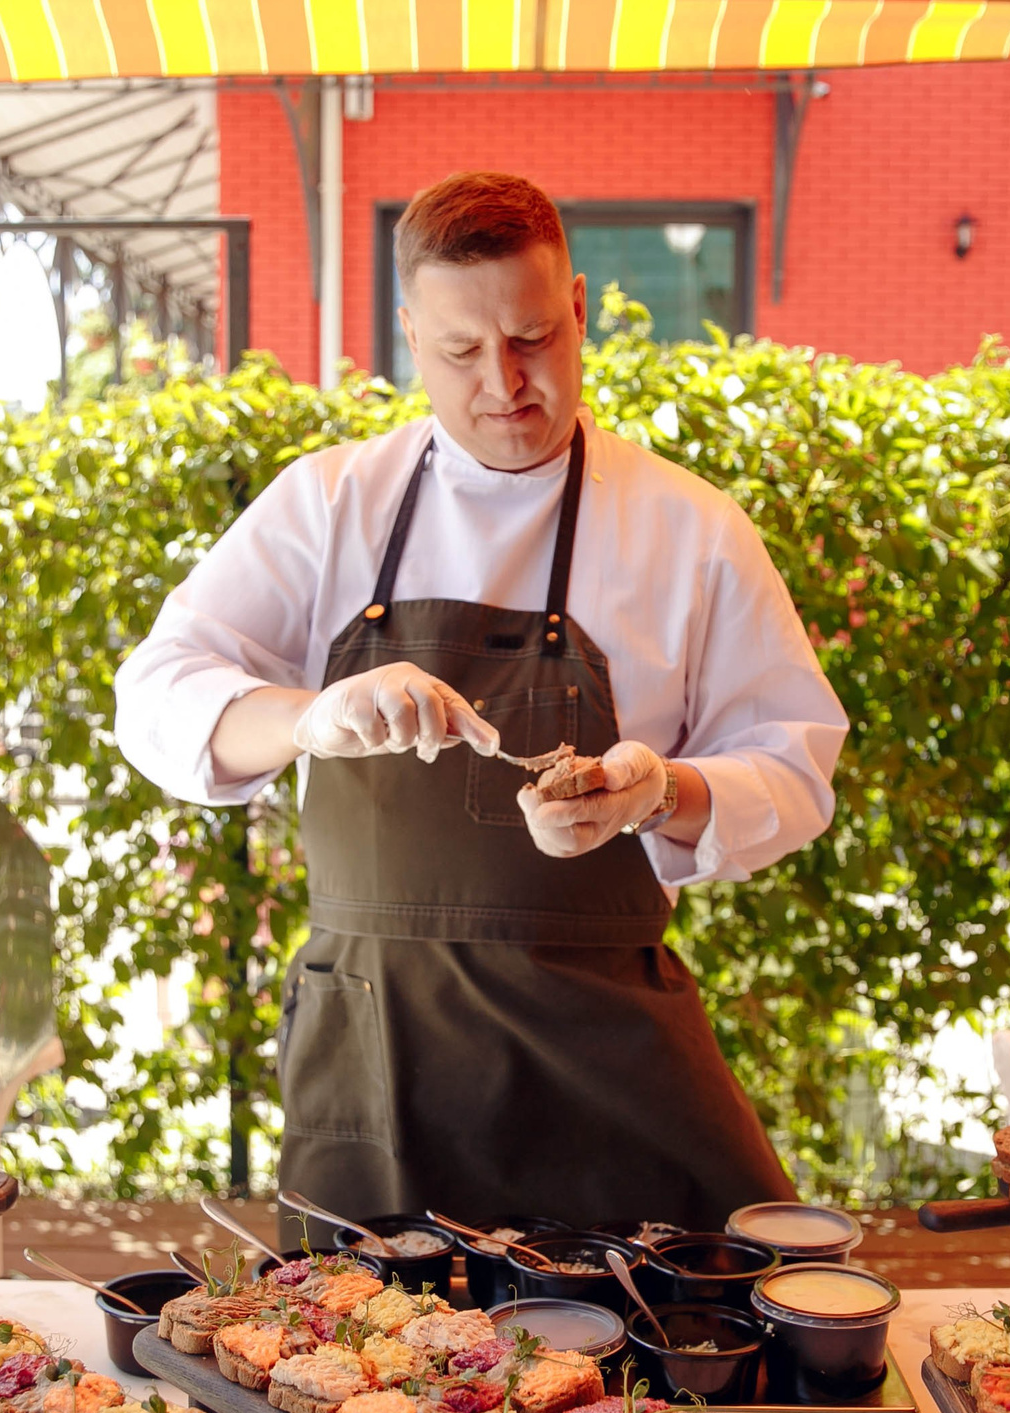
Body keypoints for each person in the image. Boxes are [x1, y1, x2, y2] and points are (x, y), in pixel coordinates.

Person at [114, 171, 846, 1226]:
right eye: (460, 352)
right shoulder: (328, 505)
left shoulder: (691, 529)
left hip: (607, 1061)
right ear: (411, 333)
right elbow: (155, 693)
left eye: (534, 337)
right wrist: (308, 718)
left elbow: (794, 766)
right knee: (357, 1366)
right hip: (372, 1050)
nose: (503, 382)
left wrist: (657, 789)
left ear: (581, 310)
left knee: (667, 1356)